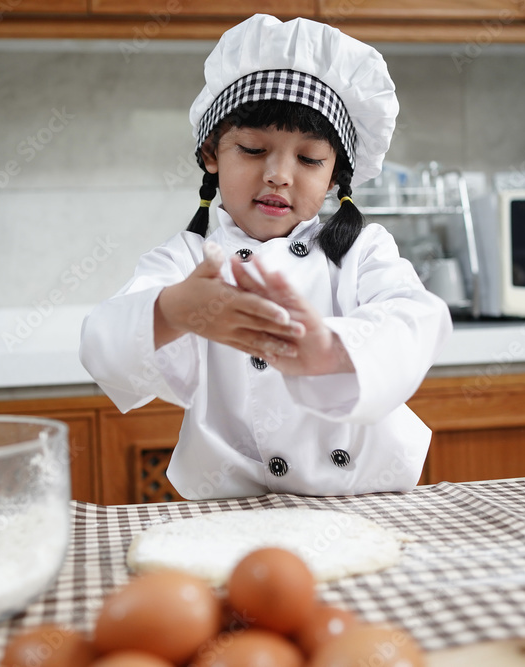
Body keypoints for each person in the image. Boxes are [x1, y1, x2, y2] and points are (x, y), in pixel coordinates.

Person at [79, 14, 452, 500]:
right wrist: (174, 311)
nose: (279, 175)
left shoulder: (362, 250)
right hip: (230, 508)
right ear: (212, 153)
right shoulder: (191, 257)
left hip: (362, 500)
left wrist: (328, 348)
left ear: (337, 174)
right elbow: (102, 340)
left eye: (309, 158)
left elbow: (417, 320)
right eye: (254, 149)